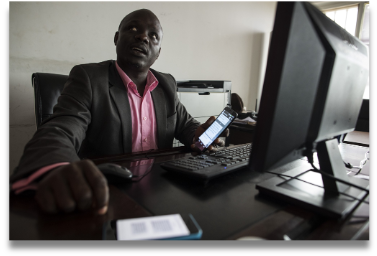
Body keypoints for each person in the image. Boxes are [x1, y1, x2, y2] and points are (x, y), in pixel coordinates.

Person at [9, 9, 227, 215]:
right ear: (116, 38)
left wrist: (201, 134)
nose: (143, 37)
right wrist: (55, 166)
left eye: (153, 36)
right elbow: (60, 129)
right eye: (133, 28)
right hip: (105, 193)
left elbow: (185, 124)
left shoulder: (166, 84)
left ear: (158, 52)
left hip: (162, 192)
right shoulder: (88, 78)